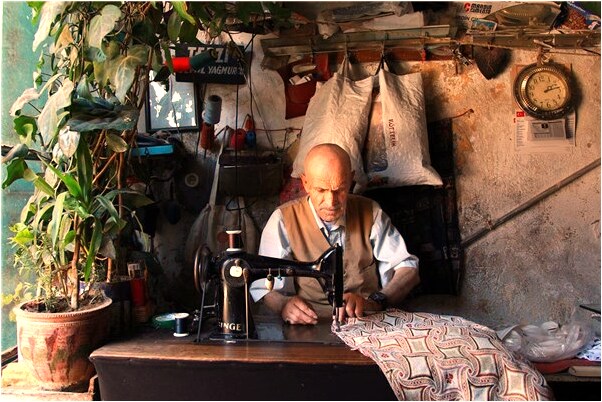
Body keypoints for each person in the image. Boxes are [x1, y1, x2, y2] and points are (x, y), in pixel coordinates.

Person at [250, 143, 420, 324]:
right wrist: (283, 304)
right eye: (321, 190)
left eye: (339, 189)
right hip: (312, 326)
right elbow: (264, 285)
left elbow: (407, 268)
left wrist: (377, 301)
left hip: (368, 320)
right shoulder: (284, 219)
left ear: (351, 180)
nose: (331, 202)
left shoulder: (371, 212)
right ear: (306, 183)